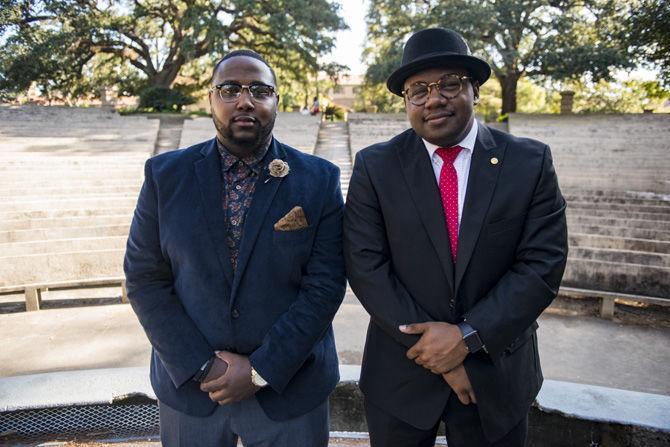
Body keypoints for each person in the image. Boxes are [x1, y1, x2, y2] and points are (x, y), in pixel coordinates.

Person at [344, 28, 568, 447]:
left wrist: (467, 338)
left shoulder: (529, 162)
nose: (434, 98)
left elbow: (542, 265)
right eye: (418, 90)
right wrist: (438, 352)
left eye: (450, 84)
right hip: (401, 377)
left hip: (495, 374)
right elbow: (365, 265)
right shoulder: (375, 167)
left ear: (475, 90)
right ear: (406, 101)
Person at [124, 49, 346, 447]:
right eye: (229, 89)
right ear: (211, 99)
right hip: (192, 392)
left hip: (290, 391)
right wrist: (201, 365)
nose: (245, 100)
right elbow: (145, 279)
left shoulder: (319, 180)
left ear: (277, 101)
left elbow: (325, 285)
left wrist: (261, 369)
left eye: (260, 90)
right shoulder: (164, 176)